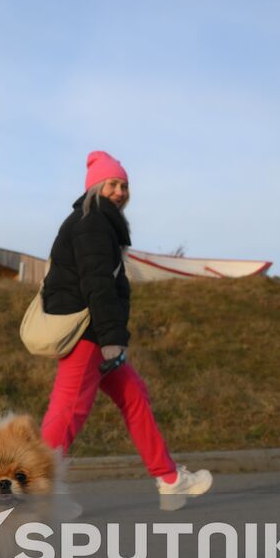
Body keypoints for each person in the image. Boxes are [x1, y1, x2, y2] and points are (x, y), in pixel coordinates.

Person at [39, 150, 212, 506]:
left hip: (96, 332)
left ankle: (169, 480)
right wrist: (111, 341)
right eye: (112, 184)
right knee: (68, 413)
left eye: (124, 185)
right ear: (96, 187)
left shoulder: (102, 222)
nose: (120, 191)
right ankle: (34, 493)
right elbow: (97, 283)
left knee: (133, 394)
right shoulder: (92, 223)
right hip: (89, 334)